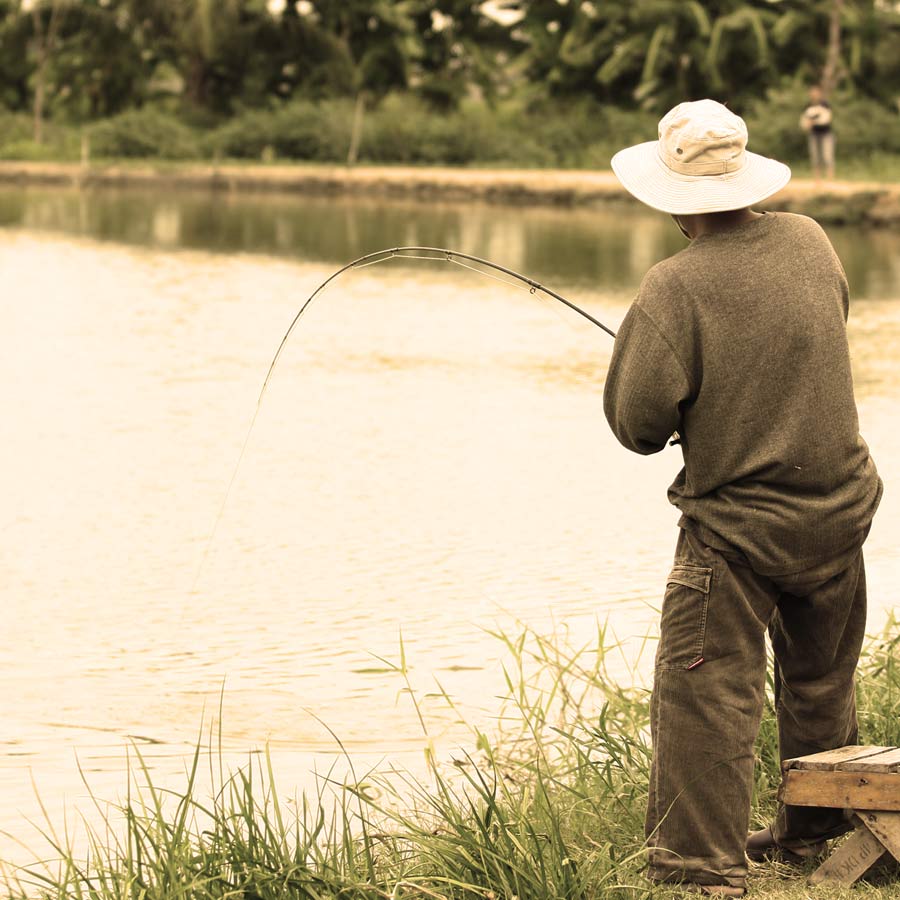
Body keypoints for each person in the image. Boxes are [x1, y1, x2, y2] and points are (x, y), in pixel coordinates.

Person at [605, 99, 882, 896]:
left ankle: (698, 869)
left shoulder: (673, 286)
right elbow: (817, 331)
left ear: (670, 196)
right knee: (822, 680)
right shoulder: (809, 239)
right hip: (839, 508)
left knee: (707, 694)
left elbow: (637, 426)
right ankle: (818, 829)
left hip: (738, 530)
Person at [801, 85, 835, 182]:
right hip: (813, 134)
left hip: (826, 134)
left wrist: (813, 122)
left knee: (827, 156)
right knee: (815, 157)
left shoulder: (825, 104)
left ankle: (830, 179)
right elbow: (804, 121)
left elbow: (826, 119)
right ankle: (817, 179)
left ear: (819, 93)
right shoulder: (807, 106)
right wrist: (806, 125)